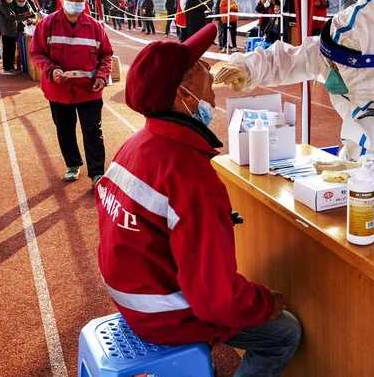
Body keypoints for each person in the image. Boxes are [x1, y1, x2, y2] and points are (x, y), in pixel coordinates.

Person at [96, 23, 302, 375]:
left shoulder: (135, 146)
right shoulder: (189, 174)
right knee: (284, 332)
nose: (210, 74)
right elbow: (215, 300)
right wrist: (266, 303)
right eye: (199, 68)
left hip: (129, 294)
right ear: (181, 95)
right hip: (162, 313)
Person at [216, 0, 374, 190]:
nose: (327, 71)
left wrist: (358, 170)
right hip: (353, 170)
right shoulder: (342, 54)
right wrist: (248, 68)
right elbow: (291, 59)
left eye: (334, 67)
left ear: (360, 73)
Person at [30, 0, 113, 185]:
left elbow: (106, 55)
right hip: (59, 90)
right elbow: (37, 52)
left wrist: (102, 76)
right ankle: (73, 164)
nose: (76, 2)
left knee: (93, 130)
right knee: (65, 129)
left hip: (89, 90)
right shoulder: (47, 25)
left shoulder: (95, 27)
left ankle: (97, 173)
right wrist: (51, 70)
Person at [0, 0, 22, 74]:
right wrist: (22, 16)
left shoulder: (6, 4)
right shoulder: (1, 5)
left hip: (10, 30)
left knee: (11, 49)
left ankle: (10, 66)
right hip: (6, 30)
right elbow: (10, 17)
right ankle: (7, 68)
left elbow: (12, 15)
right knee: (8, 49)